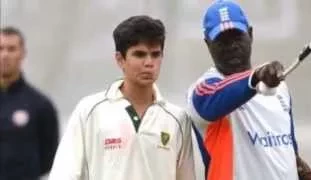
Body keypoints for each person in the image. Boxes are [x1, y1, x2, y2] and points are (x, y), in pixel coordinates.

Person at [48, 15, 196, 180]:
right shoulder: (90, 111)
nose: (149, 63)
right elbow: (64, 174)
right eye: (139, 54)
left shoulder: (177, 119)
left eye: (155, 54)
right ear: (120, 59)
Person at [186, 1, 311, 180]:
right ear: (208, 44)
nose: (232, 46)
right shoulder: (204, 89)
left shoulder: (280, 89)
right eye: (222, 41)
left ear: (250, 34)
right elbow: (211, 102)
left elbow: (286, 151)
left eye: (237, 37)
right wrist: (255, 76)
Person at [0, 26, 59, 180]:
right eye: (0, 48)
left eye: (11, 49)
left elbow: (49, 156)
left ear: (22, 54)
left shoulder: (40, 105)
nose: (5, 54)